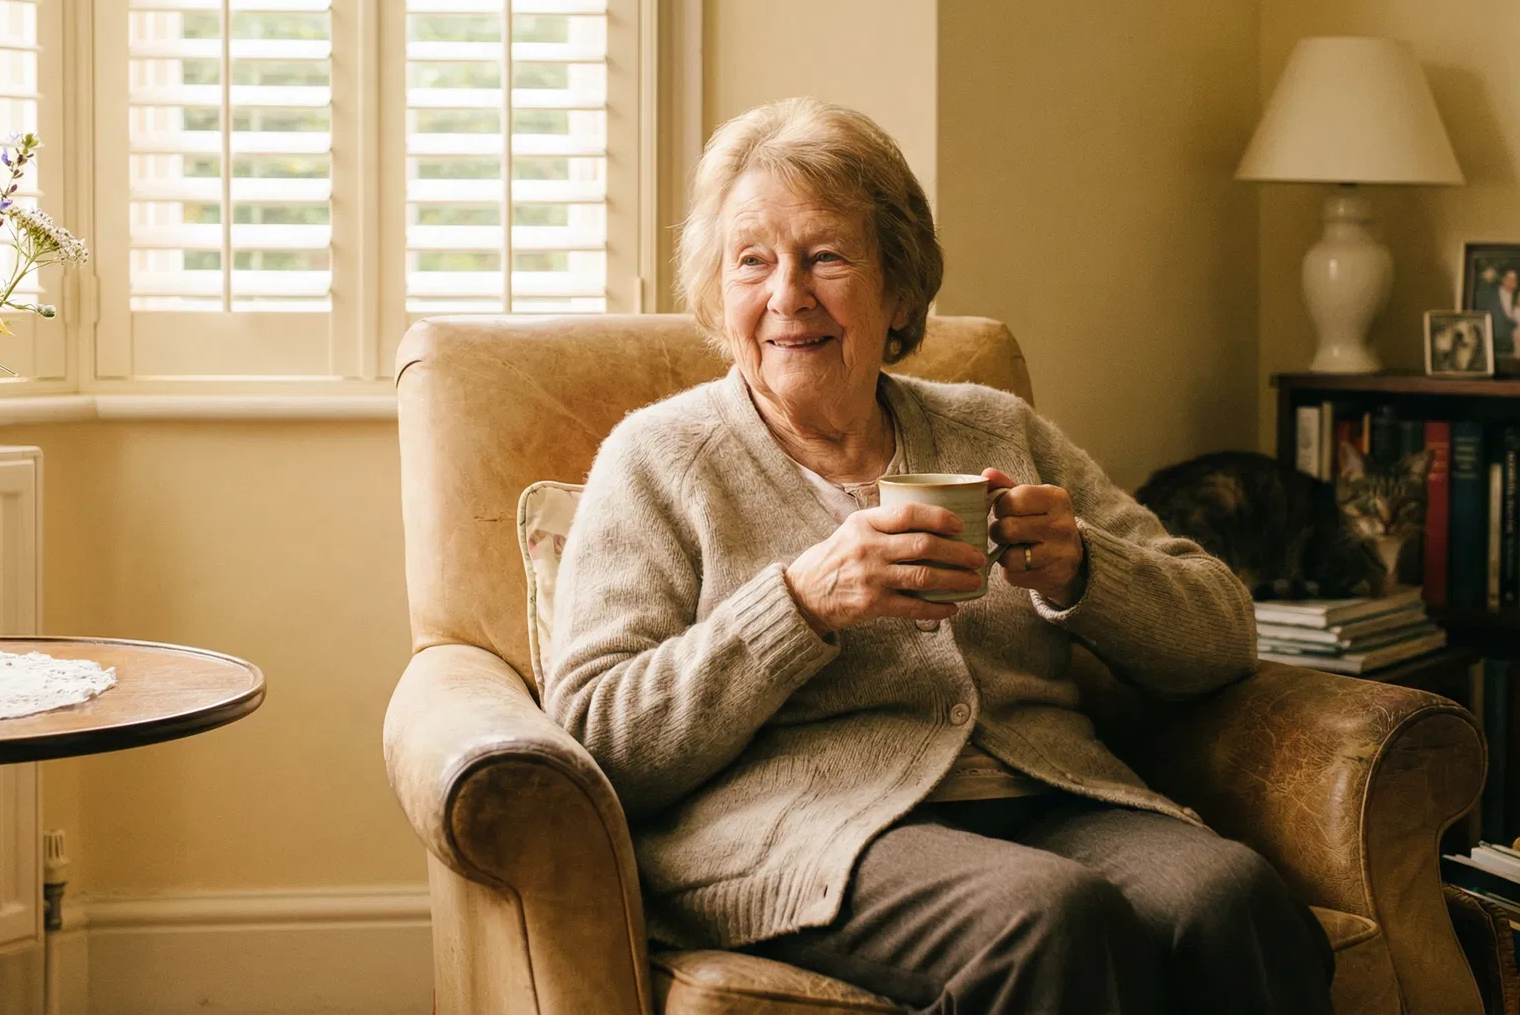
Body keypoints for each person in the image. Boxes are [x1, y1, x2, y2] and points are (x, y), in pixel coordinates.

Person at [545, 98, 1333, 1015]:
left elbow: (1220, 633)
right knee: (1048, 918)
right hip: (810, 832)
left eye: (827, 256)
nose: (788, 294)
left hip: (1050, 795)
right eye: (751, 261)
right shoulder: (662, 459)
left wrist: (1085, 571)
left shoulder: (990, 426)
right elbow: (597, 734)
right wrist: (799, 605)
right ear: (720, 297)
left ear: (901, 290)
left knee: (1228, 898)